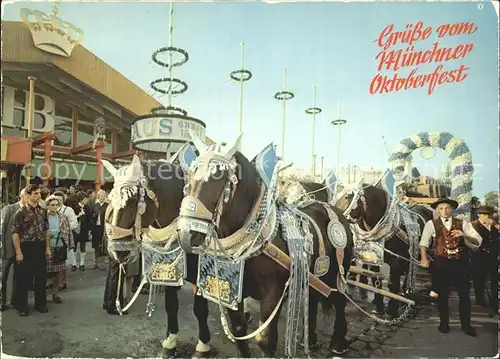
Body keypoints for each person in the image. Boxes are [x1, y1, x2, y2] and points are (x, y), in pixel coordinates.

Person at [419, 197, 482, 336]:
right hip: (442, 263)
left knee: (464, 295)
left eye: (447, 208)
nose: (444, 211)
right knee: (442, 295)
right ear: (437, 210)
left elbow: (478, 240)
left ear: (452, 210)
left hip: (461, 263)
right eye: (441, 208)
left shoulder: (462, 223)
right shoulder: (431, 224)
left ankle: (466, 326)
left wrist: (464, 234)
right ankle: (444, 324)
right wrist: (424, 257)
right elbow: (423, 242)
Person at [12, 184, 51, 316]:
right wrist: (18, 252)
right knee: (24, 278)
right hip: (26, 246)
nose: (38, 196)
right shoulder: (21, 212)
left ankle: (41, 304)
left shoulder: (43, 211)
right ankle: (22, 306)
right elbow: (15, 233)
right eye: (35, 193)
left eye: (39, 193)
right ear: (28, 195)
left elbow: (46, 230)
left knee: (40, 278)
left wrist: (47, 248)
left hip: (39, 246)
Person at [1, 189, 27, 311]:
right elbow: (2, 229)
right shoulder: (9, 209)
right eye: (26, 195)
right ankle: (2, 302)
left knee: (19, 276)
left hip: (22, 249)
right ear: (21, 196)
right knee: (3, 276)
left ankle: (15, 301)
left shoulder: (30, 210)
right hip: (7, 248)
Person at [471, 205, 499, 317]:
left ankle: (494, 302)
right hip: (479, 256)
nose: (487, 217)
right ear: (479, 215)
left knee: (494, 279)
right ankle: (480, 299)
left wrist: (496, 225)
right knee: (479, 278)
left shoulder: (494, 225)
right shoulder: (473, 225)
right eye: (484, 214)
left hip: (493, 256)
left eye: (489, 214)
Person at [45, 195, 74, 303]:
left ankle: (55, 294)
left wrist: (69, 244)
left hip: (59, 246)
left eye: (57, 205)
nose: (55, 207)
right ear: (47, 205)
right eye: (52, 205)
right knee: (45, 272)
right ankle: (43, 295)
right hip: (46, 247)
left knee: (58, 272)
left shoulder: (62, 216)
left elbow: (68, 231)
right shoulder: (43, 216)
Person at [52, 191, 78, 289]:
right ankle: (55, 282)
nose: (58, 201)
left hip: (63, 239)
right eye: (56, 199)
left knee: (63, 261)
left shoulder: (68, 210)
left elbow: (74, 223)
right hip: (52, 239)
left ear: (63, 200)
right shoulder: (51, 208)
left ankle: (62, 282)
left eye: (60, 199)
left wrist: (64, 228)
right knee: (53, 262)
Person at [69, 192, 92, 271]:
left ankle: (82, 264)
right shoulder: (74, 206)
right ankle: (74, 264)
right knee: (74, 246)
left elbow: (89, 220)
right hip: (75, 229)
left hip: (84, 229)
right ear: (81, 199)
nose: (86, 200)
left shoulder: (87, 207)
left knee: (83, 246)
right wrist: (78, 215)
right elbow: (71, 218)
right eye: (85, 198)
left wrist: (89, 230)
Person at [91, 190, 108, 270]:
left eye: (104, 196)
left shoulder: (107, 205)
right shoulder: (95, 205)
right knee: (96, 246)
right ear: (98, 197)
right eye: (101, 196)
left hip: (103, 228)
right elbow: (91, 215)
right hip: (95, 228)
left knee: (103, 246)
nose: (102, 198)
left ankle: (102, 264)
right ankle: (96, 263)